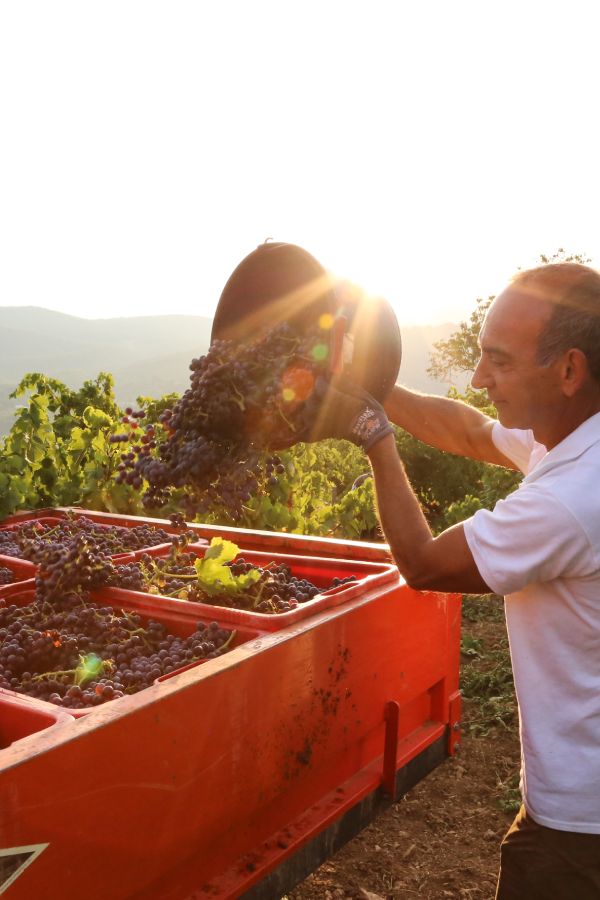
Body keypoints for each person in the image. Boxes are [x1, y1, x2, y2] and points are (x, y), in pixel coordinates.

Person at [301, 262, 600, 899]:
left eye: (499, 361)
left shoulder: (574, 498)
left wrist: (373, 437)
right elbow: (467, 429)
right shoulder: (576, 434)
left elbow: (426, 563)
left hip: (582, 826)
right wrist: (374, 387)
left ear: (569, 370)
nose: (478, 377)